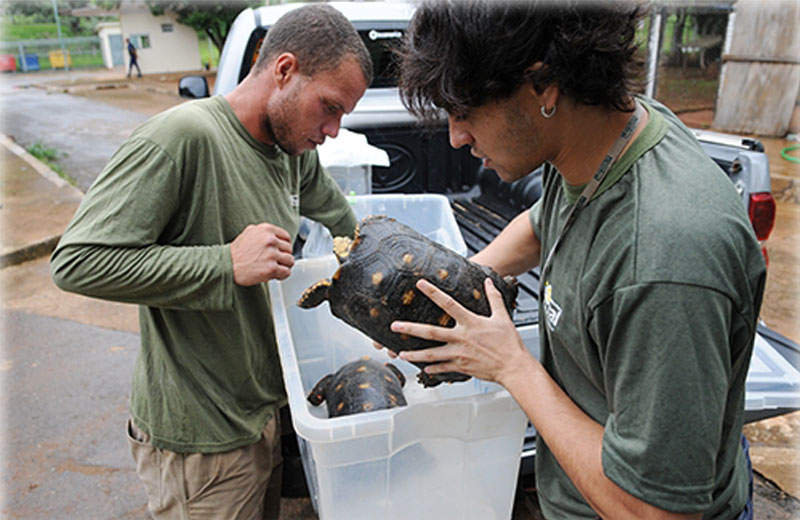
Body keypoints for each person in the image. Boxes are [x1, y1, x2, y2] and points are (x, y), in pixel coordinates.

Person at [384, 1, 765, 518]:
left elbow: (656, 512)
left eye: (465, 111)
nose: (457, 137)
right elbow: (542, 223)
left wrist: (511, 365)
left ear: (542, 85)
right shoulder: (605, 136)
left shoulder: (663, 260)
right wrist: (459, 285)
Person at [51, 5, 372, 519]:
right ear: (284, 70)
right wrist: (224, 264)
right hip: (200, 442)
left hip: (259, 415)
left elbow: (341, 218)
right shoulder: (181, 139)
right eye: (329, 107)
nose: (333, 129)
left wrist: (391, 274)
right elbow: (78, 262)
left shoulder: (292, 151)